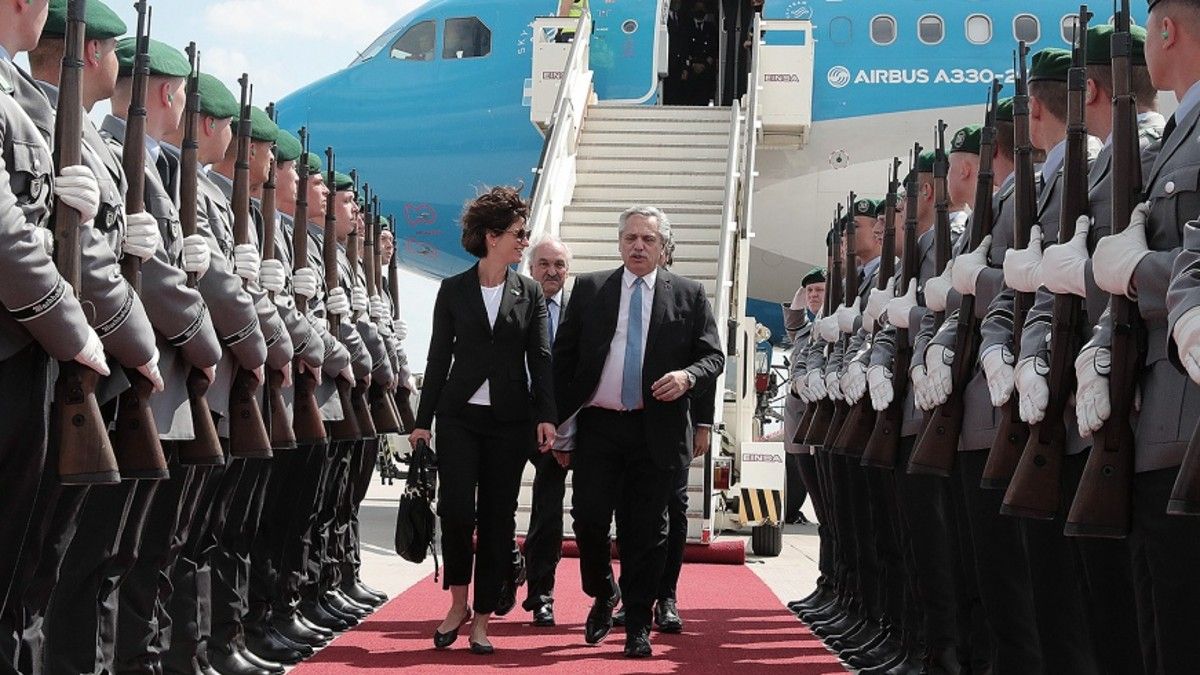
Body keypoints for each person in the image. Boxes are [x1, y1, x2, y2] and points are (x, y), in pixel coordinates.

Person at [553, 206, 723, 658]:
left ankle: (637, 625)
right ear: (619, 243)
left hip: (656, 429)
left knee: (646, 533)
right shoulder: (589, 289)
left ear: (664, 248)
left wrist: (688, 377)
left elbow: (713, 357)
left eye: (647, 239)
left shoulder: (688, 293)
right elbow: (563, 359)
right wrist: (554, 420)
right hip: (600, 426)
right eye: (630, 238)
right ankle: (602, 591)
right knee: (588, 518)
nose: (638, 246)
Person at [410, 187, 556, 655]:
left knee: (498, 517)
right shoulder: (453, 290)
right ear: (493, 237)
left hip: (510, 422)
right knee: (455, 511)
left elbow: (542, 357)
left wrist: (546, 416)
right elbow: (437, 358)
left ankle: (483, 620)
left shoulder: (529, 292)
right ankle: (456, 603)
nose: (523, 242)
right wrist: (422, 420)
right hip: (459, 417)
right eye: (518, 234)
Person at [517, 236, 573, 627]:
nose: (551, 272)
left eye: (559, 265)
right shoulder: (513, 303)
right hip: (513, 420)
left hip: (561, 426)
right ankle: (503, 578)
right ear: (530, 267)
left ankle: (541, 594)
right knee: (496, 510)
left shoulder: (582, 310)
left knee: (548, 513)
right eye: (544, 264)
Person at [783, 268, 826, 524]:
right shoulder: (803, 332)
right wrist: (803, 289)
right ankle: (791, 512)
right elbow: (794, 320)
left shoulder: (833, 325)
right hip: (798, 419)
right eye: (810, 291)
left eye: (819, 290)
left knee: (823, 485)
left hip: (821, 419)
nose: (813, 295)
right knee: (799, 472)